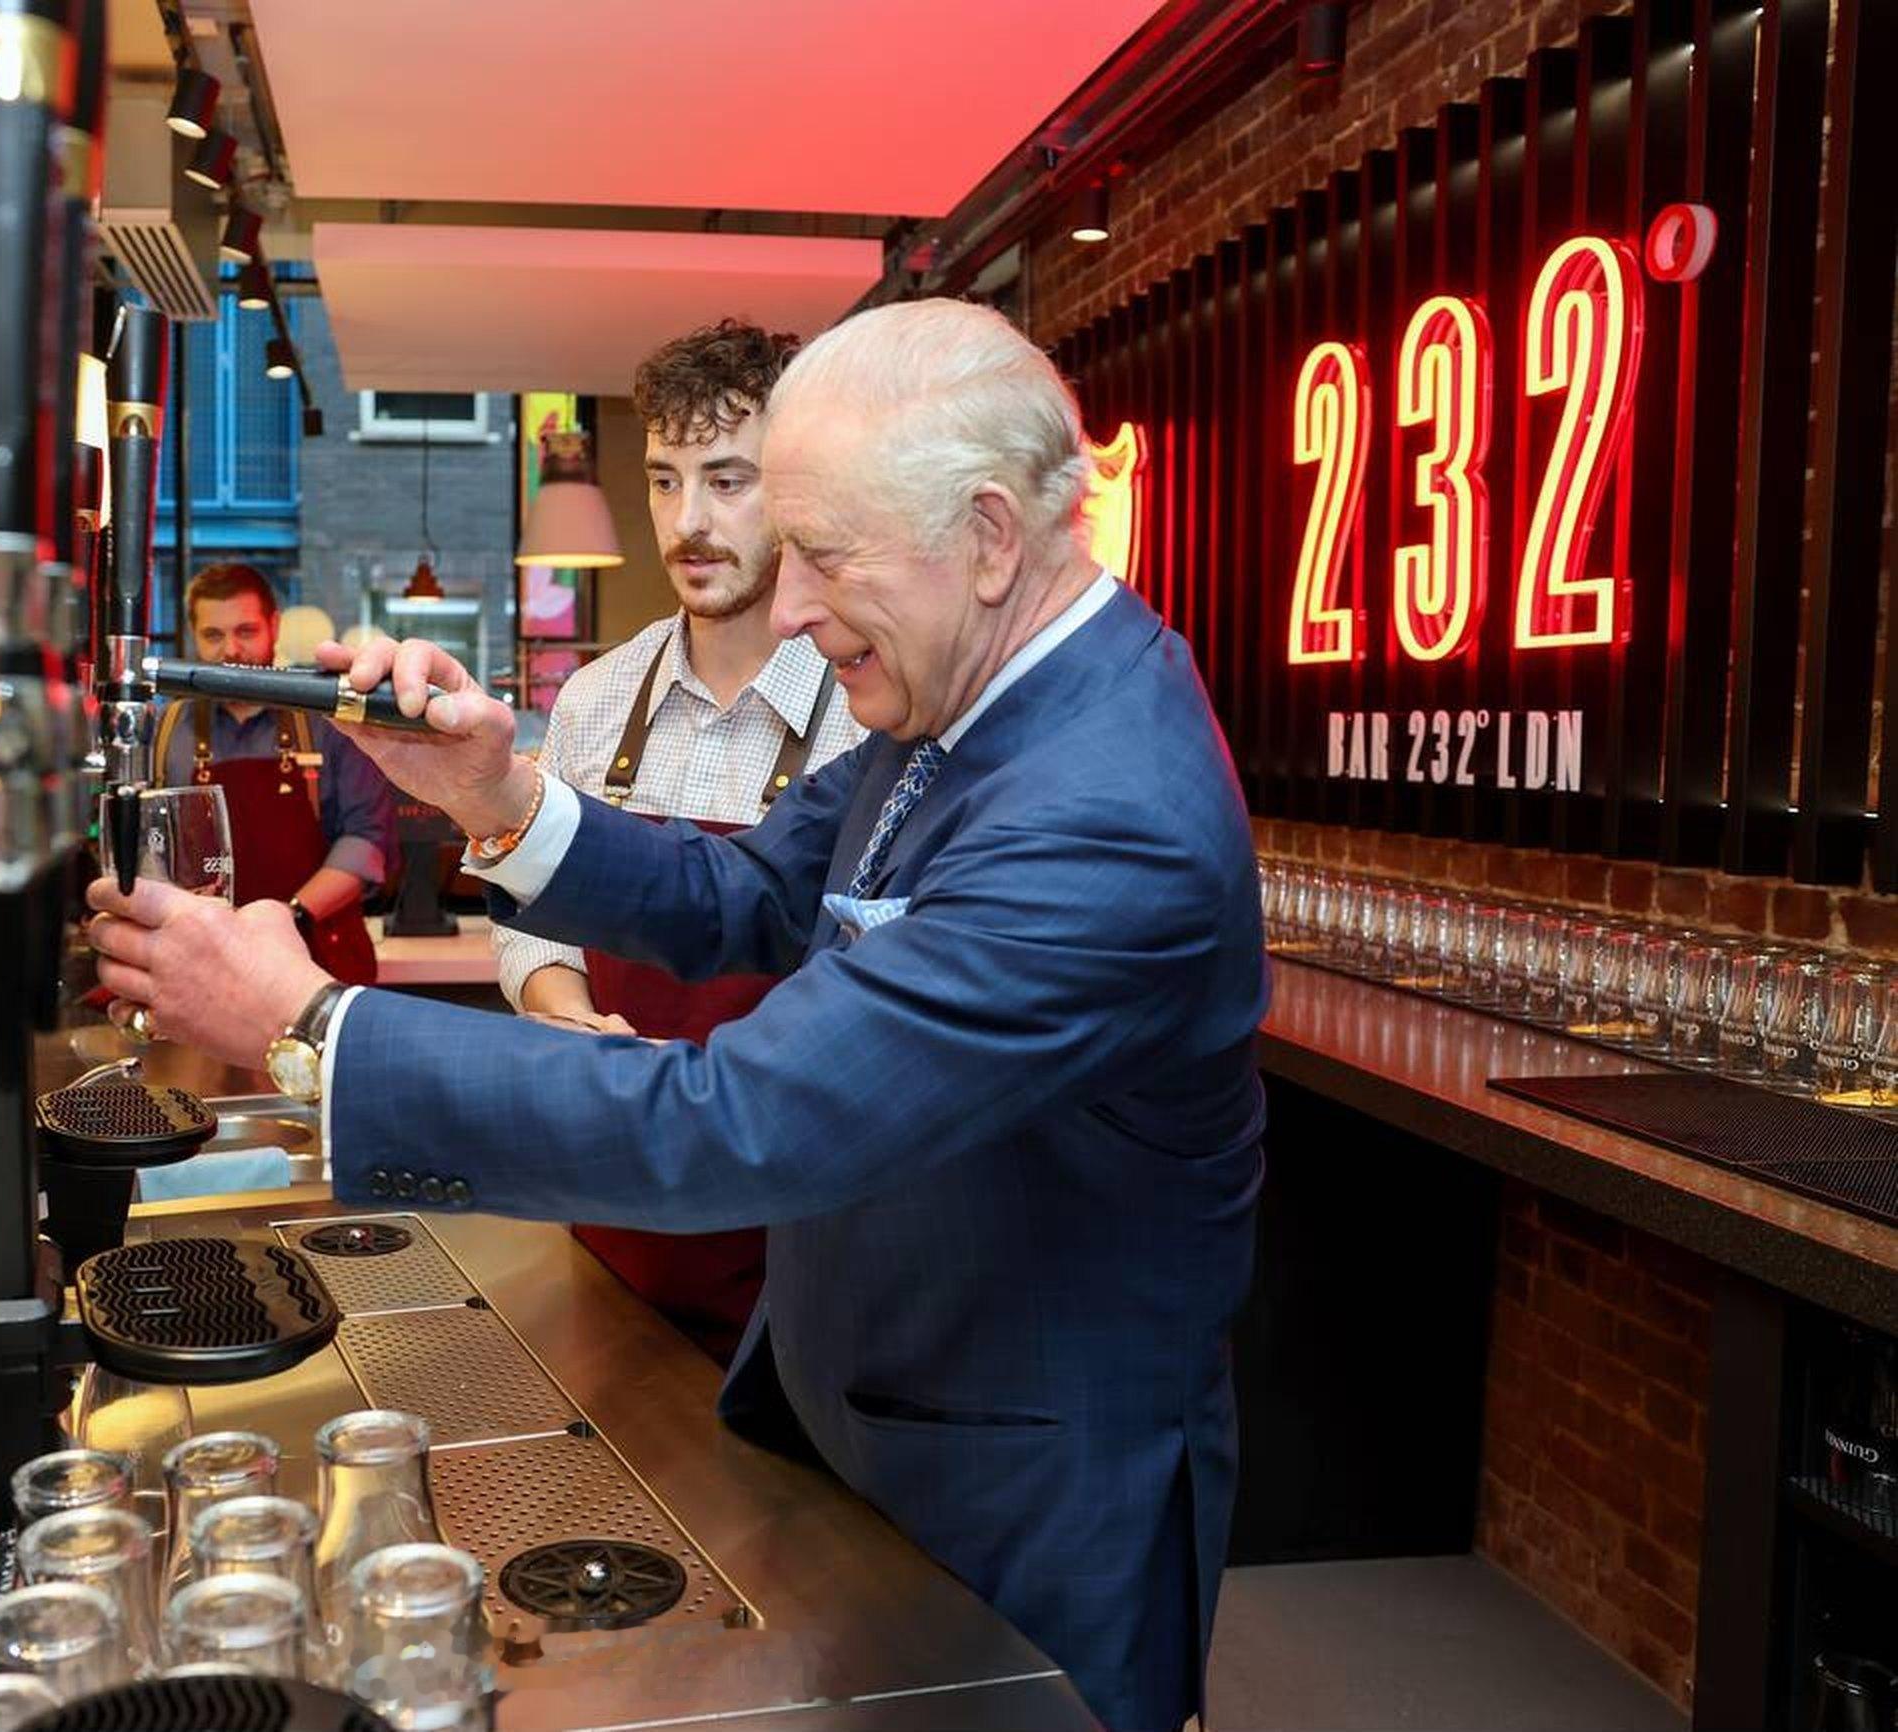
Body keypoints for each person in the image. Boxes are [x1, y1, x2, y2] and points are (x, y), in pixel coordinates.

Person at [87, 299, 1268, 1732]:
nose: (792, 608)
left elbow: (744, 1122)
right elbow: (738, 893)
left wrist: (312, 1023)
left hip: (1019, 1497)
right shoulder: (962, 704)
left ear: (988, 536)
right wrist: (496, 794)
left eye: (824, 554)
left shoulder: (1102, 812)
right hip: (865, 1423)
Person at [498, 319, 864, 1361]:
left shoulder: (865, 707)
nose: (688, 521)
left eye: (727, 481)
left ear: (797, 490)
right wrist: (568, 1018)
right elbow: (534, 923)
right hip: (613, 1206)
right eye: (665, 481)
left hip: (796, 1233)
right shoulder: (593, 699)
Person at [151, 562, 394, 984]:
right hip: (202, 963)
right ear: (194, 635)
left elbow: (367, 840)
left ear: (274, 627)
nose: (230, 650)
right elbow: (152, 848)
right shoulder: (167, 730)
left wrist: (288, 917)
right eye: (213, 635)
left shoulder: (329, 721)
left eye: (246, 631)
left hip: (316, 957)